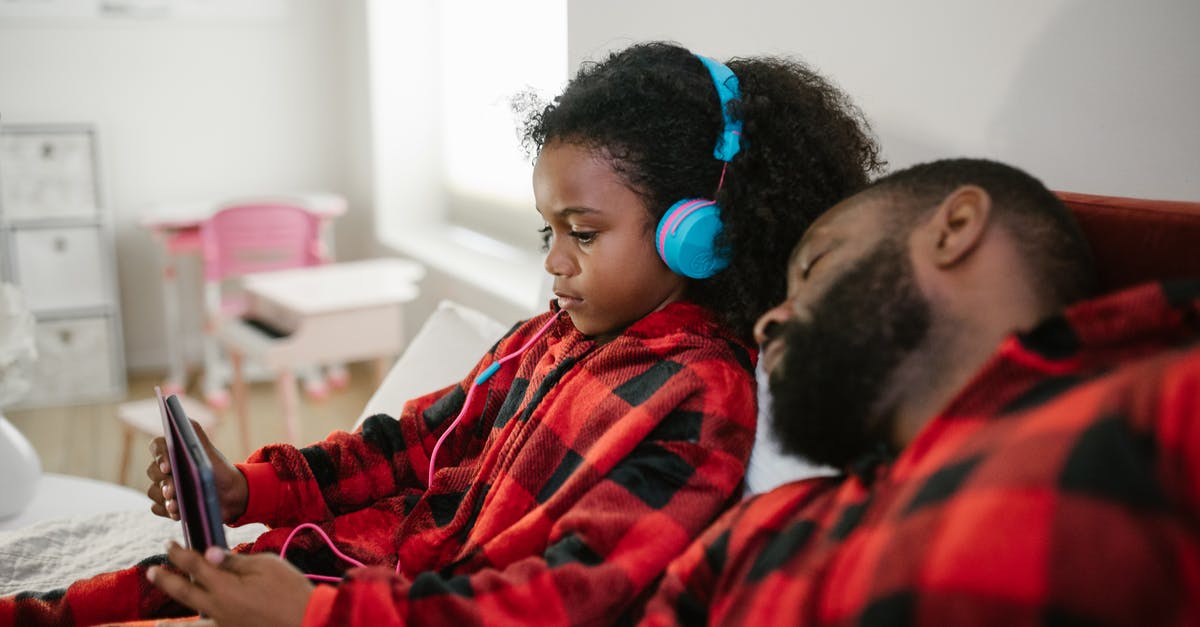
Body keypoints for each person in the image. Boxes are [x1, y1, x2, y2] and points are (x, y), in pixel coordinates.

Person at [0, 42, 881, 626]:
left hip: (385, 608)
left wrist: (313, 615)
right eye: (549, 232)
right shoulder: (546, 339)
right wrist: (248, 488)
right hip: (350, 575)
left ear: (702, 232)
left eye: (583, 232)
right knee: (106, 595)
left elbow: (574, 594)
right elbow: (412, 442)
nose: (557, 266)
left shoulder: (701, 397)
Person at [639, 157, 1200, 625]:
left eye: (813, 268)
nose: (768, 324)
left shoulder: (1164, 401)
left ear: (954, 228)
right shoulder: (757, 530)